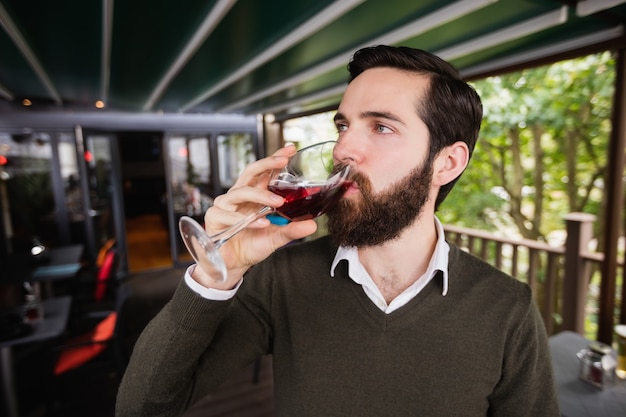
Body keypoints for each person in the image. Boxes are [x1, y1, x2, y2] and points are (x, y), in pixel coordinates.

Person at [116, 45, 560, 416]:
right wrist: (217, 275)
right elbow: (143, 406)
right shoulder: (282, 278)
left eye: (381, 127)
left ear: (447, 163)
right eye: (343, 126)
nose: (343, 149)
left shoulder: (507, 308)